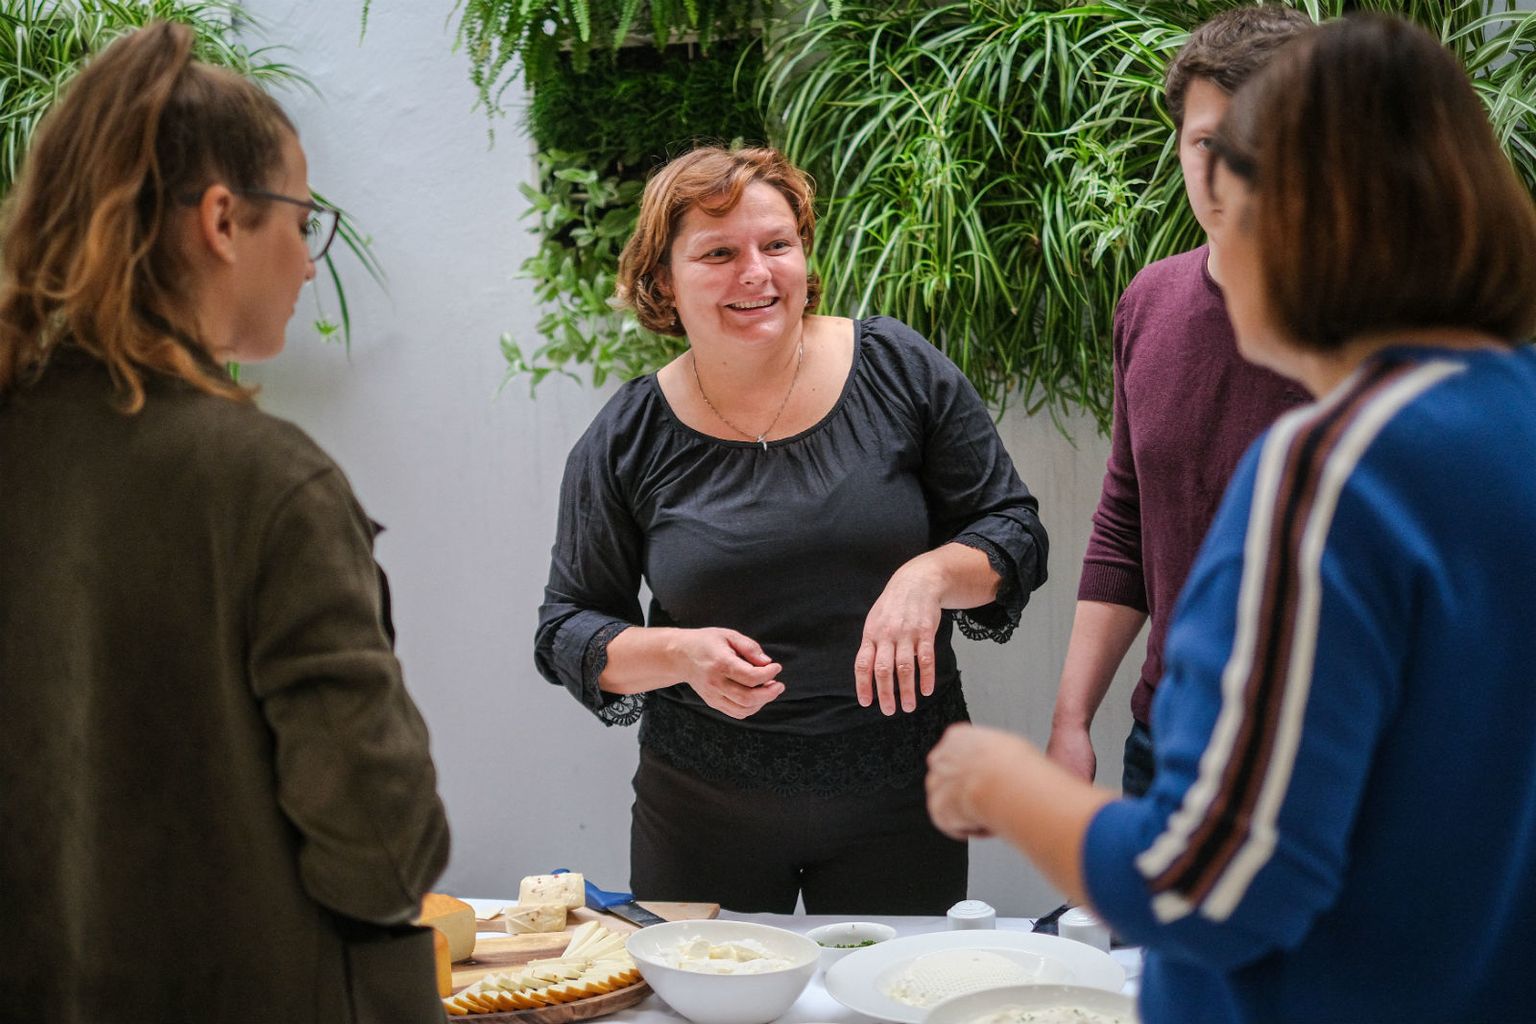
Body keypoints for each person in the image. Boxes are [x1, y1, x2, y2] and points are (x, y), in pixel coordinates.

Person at [927, 13, 1536, 1022]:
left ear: (1303, 208)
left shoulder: (1332, 470)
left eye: (1234, 175)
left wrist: (1004, 785)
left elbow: (1211, 883)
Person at [0, 23, 450, 1023]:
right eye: (301, 218)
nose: (307, 263)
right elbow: (382, 852)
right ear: (220, 219)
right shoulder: (268, 483)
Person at [536, 145, 1048, 914]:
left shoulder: (899, 369)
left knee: (897, 983)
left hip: (904, 799)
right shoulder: (626, 437)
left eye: (776, 244)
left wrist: (930, 576)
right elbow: (567, 628)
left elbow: (1013, 528)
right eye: (719, 253)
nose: (756, 273)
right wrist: (678, 654)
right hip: (702, 812)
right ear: (663, 280)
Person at [1046, 5, 1311, 797]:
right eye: (1207, 142)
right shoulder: (1151, 301)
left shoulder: (1386, 323)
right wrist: (1071, 720)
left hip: (1330, 750)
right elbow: (1129, 517)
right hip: (1168, 740)